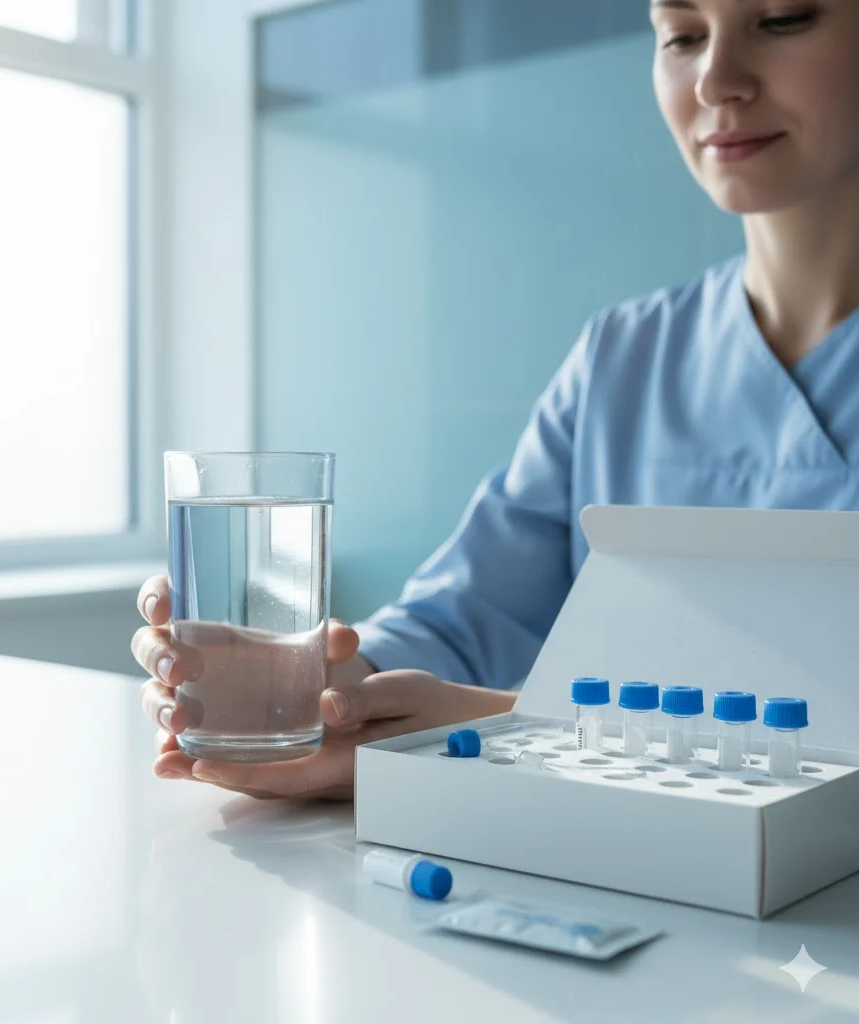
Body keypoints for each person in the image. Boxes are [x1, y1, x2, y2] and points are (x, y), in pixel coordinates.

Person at [133, 0, 859, 800]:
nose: (717, 79)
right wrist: (312, 683)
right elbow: (462, 614)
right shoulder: (624, 357)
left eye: (785, 18)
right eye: (681, 36)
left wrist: (511, 728)